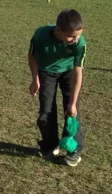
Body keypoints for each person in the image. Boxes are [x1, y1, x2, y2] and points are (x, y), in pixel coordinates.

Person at [28, 9, 86, 167]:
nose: (75, 39)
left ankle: (74, 149)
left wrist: (72, 103)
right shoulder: (41, 35)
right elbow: (32, 56)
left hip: (69, 72)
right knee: (46, 111)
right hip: (46, 71)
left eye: (78, 35)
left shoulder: (80, 43)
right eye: (71, 36)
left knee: (72, 111)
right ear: (58, 30)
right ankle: (50, 144)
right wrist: (35, 79)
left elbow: (78, 72)